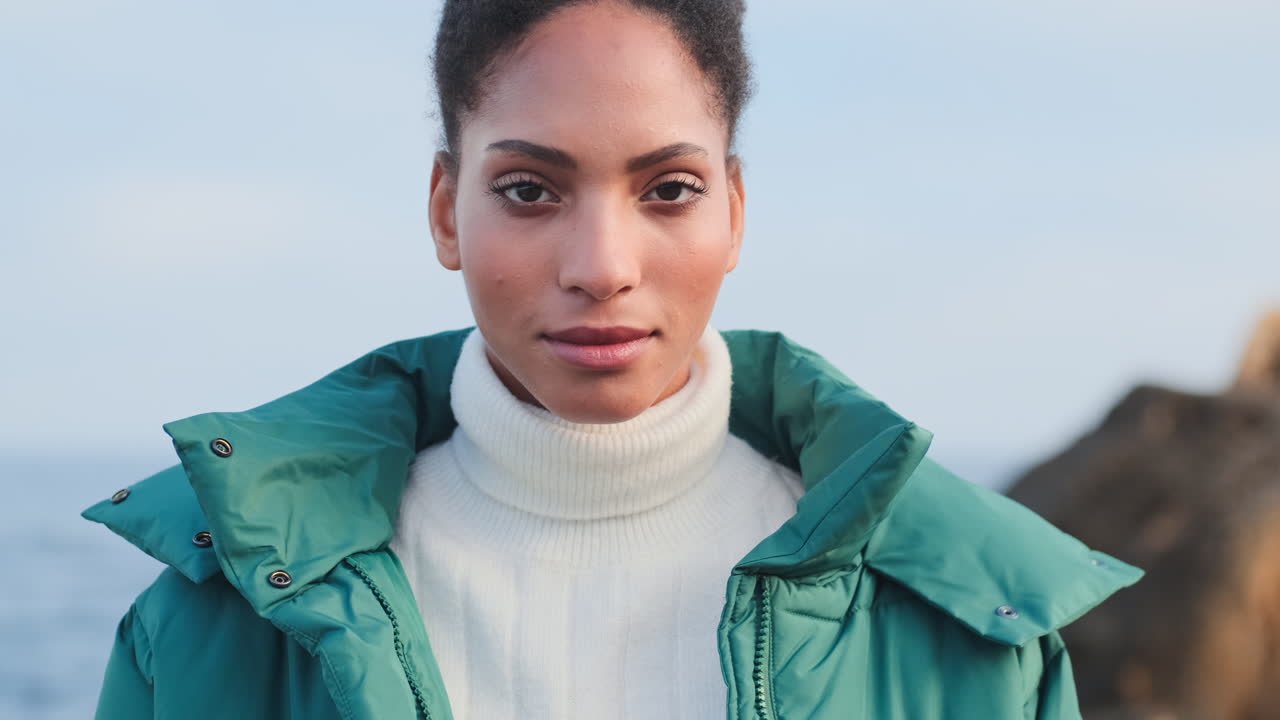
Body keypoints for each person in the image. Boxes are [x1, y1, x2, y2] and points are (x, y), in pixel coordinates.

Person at [86, 1, 1143, 718]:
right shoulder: (208, 623)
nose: (601, 267)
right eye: (530, 190)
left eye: (668, 189)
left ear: (733, 212)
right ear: (445, 209)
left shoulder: (974, 631)